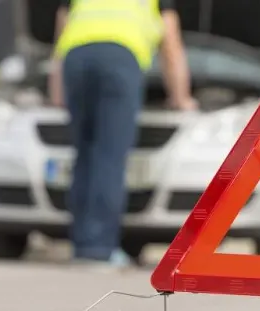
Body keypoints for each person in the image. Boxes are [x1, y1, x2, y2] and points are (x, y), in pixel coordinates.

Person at [48, 0, 197, 268]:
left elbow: (60, 36)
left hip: (76, 59)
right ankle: (100, 250)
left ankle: (82, 245)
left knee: (84, 155)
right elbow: (171, 45)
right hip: (119, 58)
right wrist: (180, 97)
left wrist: (57, 93)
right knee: (109, 155)